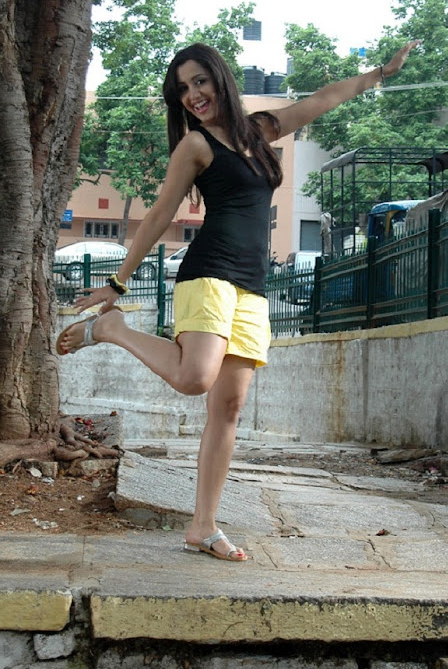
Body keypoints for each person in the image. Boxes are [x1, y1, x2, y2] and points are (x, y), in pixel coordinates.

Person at [57, 40, 420, 562]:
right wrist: (117, 284)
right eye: (183, 89)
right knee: (194, 378)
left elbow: (322, 100)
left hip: (253, 286)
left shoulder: (261, 130)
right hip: (208, 272)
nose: (193, 95)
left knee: (228, 406)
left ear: (219, 79)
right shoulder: (196, 145)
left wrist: (379, 74)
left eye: (199, 81)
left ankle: (203, 527)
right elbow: (160, 213)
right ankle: (112, 329)